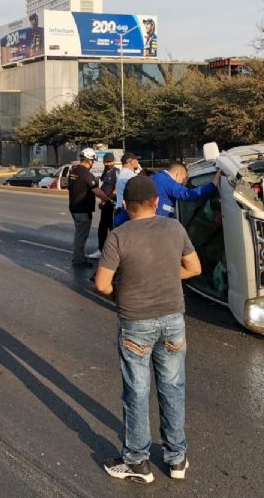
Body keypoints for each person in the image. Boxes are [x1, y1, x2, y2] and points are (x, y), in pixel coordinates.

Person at [94, 175, 202, 484]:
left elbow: (102, 284)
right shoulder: (175, 228)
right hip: (173, 321)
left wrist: (125, 288)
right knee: (173, 388)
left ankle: (138, 462)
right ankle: (177, 458)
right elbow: (194, 268)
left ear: (126, 206)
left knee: (137, 393)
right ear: (156, 202)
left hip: (136, 322)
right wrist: (166, 276)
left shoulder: (119, 235)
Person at [68, 148, 111, 267]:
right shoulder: (86, 174)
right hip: (83, 209)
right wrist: (108, 199)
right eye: (93, 161)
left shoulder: (73, 171)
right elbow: (96, 191)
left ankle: (78, 257)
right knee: (81, 235)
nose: (92, 163)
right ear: (89, 160)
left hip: (74, 207)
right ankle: (78, 260)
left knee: (79, 233)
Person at [152, 163, 220, 218]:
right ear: (177, 174)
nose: (183, 183)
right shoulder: (167, 182)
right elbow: (188, 194)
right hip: (157, 225)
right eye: (183, 179)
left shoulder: (156, 177)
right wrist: (213, 185)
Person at [90, 152, 119, 259]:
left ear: (114, 161)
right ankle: (101, 249)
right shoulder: (105, 172)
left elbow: (116, 190)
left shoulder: (116, 172)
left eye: (110, 161)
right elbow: (103, 188)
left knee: (113, 229)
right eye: (106, 162)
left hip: (112, 204)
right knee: (102, 228)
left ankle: (115, 253)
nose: (108, 163)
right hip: (105, 204)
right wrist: (102, 201)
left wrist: (107, 200)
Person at [113, 152, 142, 227]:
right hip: (126, 211)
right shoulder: (130, 175)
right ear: (132, 162)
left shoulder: (122, 173)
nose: (138, 162)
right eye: (136, 160)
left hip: (119, 209)